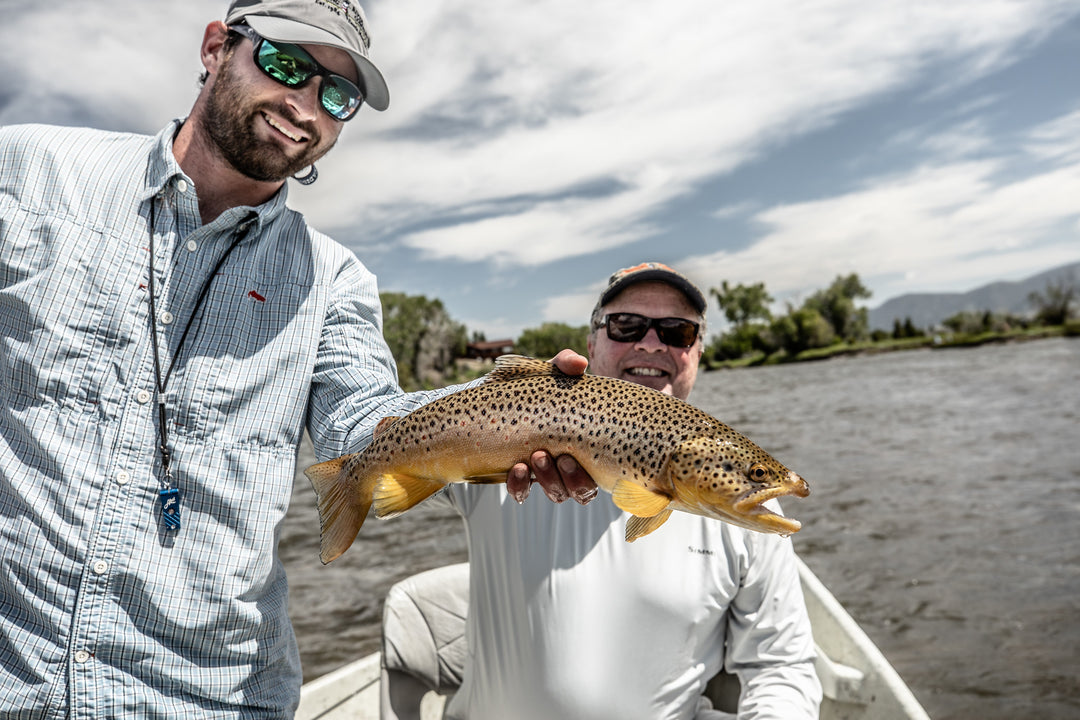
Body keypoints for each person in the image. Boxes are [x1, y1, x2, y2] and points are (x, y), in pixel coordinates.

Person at [0, 2, 593, 716]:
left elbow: (365, 428)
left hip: (211, 697)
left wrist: (518, 411)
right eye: (287, 64)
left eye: (336, 95)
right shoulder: (25, 173)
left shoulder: (334, 280)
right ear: (216, 46)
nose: (305, 104)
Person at [441, 262, 822, 719]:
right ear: (591, 342)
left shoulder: (751, 514)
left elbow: (780, 665)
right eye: (626, 325)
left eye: (677, 331)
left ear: (697, 350)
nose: (650, 343)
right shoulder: (510, 432)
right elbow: (370, 430)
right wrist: (495, 396)